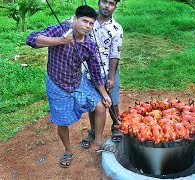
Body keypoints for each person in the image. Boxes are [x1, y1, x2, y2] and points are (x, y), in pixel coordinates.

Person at [26, 5, 112, 168]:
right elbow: (31, 39)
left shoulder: (89, 45)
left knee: (101, 106)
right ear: (75, 19)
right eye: (84, 21)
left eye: (91, 23)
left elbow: (95, 72)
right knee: (62, 121)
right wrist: (61, 41)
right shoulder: (60, 30)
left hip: (77, 82)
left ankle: (98, 141)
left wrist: (104, 94)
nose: (87, 26)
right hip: (56, 84)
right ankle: (68, 150)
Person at [79, 0, 123, 147]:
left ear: (115, 6)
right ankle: (93, 131)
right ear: (98, 2)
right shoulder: (88, 21)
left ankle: (116, 126)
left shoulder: (116, 28)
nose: (106, 6)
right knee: (93, 104)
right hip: (89, 72)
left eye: (111, 3)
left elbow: (114, 54)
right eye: (104, 1)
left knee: (113, 102)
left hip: (108, 72)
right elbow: (72, 25)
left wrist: (111, 77)